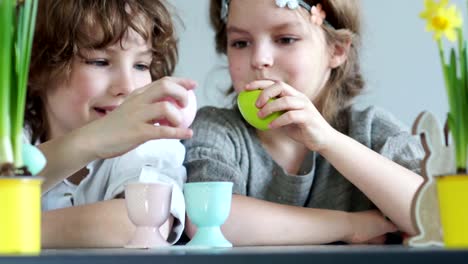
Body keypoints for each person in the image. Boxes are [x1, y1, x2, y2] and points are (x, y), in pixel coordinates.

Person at [183, 0, 424, 246]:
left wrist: (329, 142)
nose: (259, 59)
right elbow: (209, 222)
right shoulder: (216, 129)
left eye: (285, 39)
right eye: (241, 43)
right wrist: (351, 225)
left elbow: (437, 214)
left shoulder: (371, 129)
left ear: (337, 50)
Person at [25, 0, 196, 248]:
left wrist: (10, 228)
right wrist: (91, 141)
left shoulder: (148, 140)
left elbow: (142, 225)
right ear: (39, 68)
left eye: (141, 65)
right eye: (99, 62)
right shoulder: (13, 139)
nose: (127, 86)